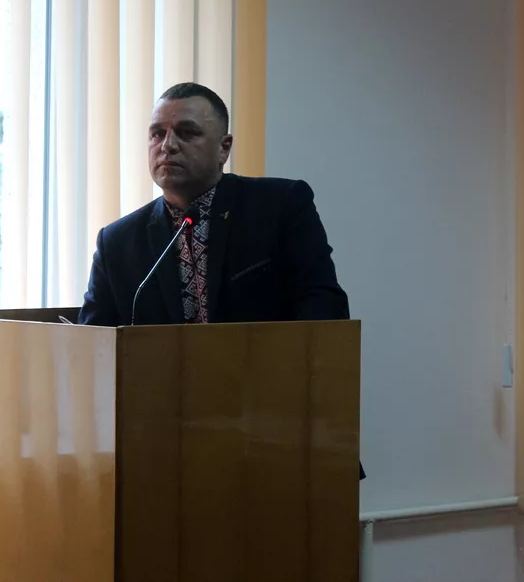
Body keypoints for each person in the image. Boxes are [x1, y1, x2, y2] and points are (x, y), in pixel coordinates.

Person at [78, 81, 364, 480]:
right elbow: (91, 344)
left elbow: (324, 308)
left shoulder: (280, 206)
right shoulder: (118, 241)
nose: (168, 146)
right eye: (157, 134)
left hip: (275, 434)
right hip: (164, 446)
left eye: (187, 133)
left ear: (224, 148)